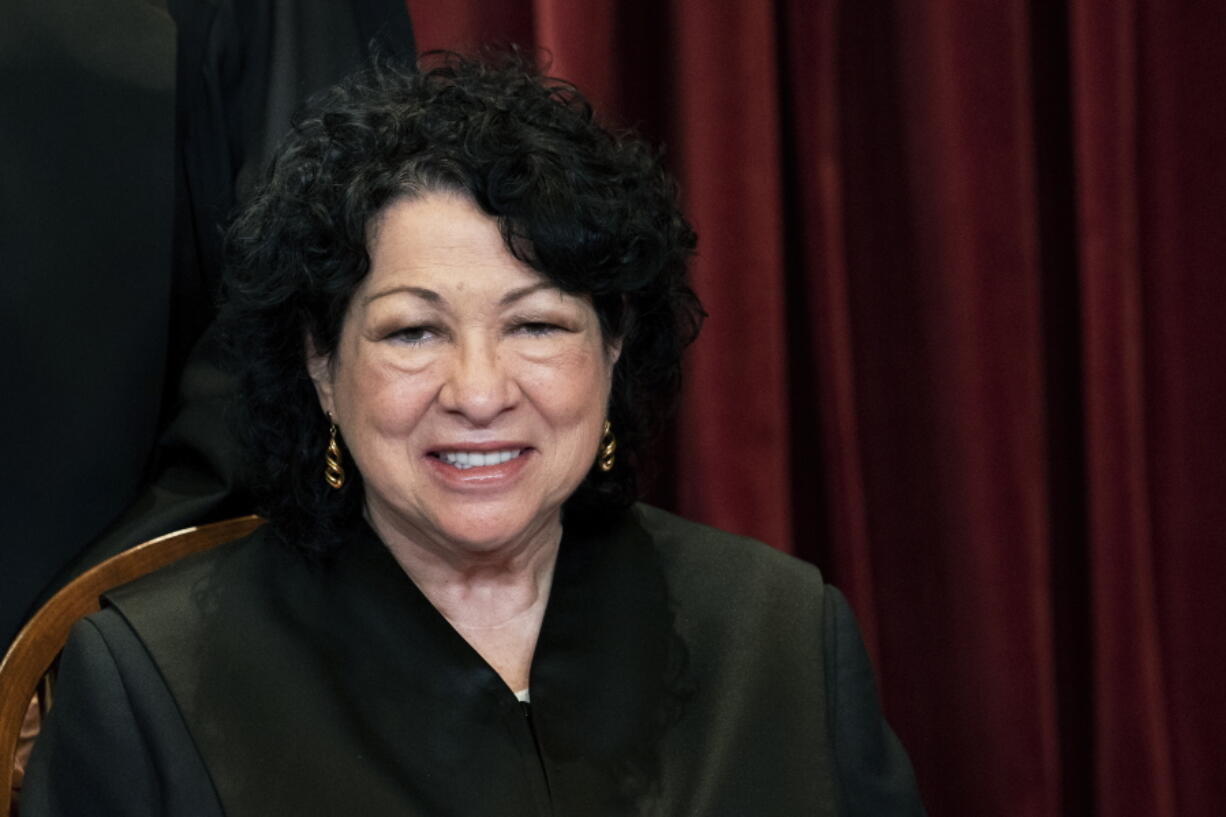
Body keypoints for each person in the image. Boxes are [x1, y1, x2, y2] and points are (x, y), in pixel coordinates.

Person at [23, 53, 926, 816]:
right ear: (321, 366)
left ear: (613, 345)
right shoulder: (149, 681)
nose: (480, 391)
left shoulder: (784, 634)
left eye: (536, 325)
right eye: (413, 331)